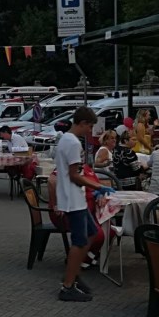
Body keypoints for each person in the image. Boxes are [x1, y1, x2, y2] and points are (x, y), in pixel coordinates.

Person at [53, 106, 100, 302]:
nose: (90, 131)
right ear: (82, 123)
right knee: (80, 241)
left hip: (73, 198)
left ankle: (73, 271)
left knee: (91, 233)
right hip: (73, 199)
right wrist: (97, 185)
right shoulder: (73, 144)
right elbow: (74, 175)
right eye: (89, 126)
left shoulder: (65, 139)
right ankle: (68, 285)